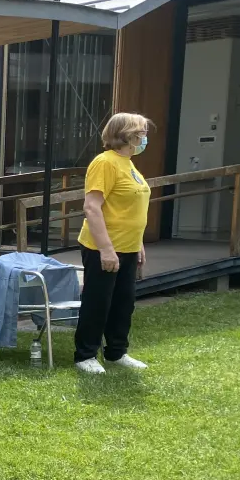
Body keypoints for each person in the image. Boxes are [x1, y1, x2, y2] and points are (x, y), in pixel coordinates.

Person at [75, 113, 153, 375]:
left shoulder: (128, 164)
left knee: (123, 302)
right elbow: (92, 207)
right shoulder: (105, 162)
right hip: (104, 246)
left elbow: (131, 208)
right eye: (141, 132)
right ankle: (85, 355)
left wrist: (138, 243)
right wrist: (106, 249)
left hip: (128, 246)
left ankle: (117, 352)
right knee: (98, 301)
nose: (145, 137)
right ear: (126, 134)